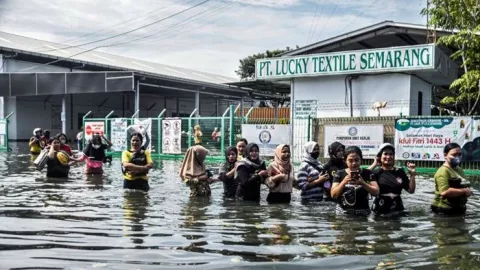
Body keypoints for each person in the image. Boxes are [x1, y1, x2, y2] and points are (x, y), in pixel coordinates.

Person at [331, 146, 379, 216]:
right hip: (343, 213)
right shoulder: (339, 173)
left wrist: (363, 183)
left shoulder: (368, 173)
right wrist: (343, 182)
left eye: (356, 160)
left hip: (363, 213)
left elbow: (376, 192)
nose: (354, 163)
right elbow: (333, 195)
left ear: (361, 160)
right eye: (350, 160)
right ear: (345, 161)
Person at [370, 143, 416, 215]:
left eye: (391, 154)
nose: (388, 157)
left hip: (398, 208)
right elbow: (361, 176)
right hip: (380, 209)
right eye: (385, 154)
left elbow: (411, 190)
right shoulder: (375, 173)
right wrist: (374, 164)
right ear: (380, 156)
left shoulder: (400, 172)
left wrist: (412, 175)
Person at [431, 143, 473, 215]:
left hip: (458, 208)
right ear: (445, 155)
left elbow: (463, 184)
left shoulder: (459, 169)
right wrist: (464, 191)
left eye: (459, 154)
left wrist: (467, 191)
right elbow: (444, 192)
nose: (457, 157)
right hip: (444, 210)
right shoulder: (443, 171)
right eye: (454, 155)